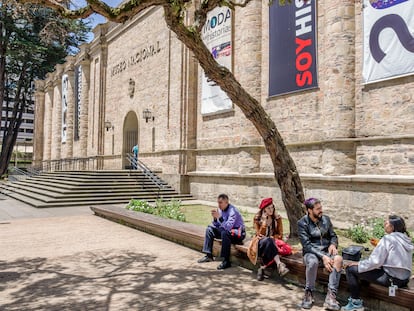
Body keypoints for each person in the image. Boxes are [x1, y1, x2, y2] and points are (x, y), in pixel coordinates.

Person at [342, 215, 414, 311]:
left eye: (387, 223)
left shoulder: (388, 239)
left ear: (392, 227)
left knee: (350, 269)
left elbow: (375, 262)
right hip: (404, 280)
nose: (384, 224)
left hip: (391, 279)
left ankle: (355, 303)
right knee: (365, 268)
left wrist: (358, 264)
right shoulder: (406, 240)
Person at [298, 198, 343, 311]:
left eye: (321, 208)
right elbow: (307, 246)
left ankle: (331, 297)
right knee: (313, 262)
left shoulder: (326, 220)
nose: (321, 211)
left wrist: (333, 244)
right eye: (318, 209)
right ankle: (308, 293)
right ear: (309, 210)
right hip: (311, 253)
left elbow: (333, 236)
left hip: (327, 252)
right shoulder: (302, 223)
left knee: (338, 259)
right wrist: (323, 257)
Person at [197, 194, 246, 270]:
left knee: (225, 233)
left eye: (220, 203)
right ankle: (209, 255)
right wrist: (215, 219)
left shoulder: (233, 211)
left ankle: (226, 261)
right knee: (209, 229)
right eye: (218, 202)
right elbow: (216, 225)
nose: (219, 205)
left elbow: (228, 227)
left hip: (238, 233)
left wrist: (219, 217)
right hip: (226, 232)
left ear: (226, 202)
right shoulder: (219, 210)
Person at [247, 197, 290, 280]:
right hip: (259, 243)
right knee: (268, 242)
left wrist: (272, 237)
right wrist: (264, 223)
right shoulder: (257, 218)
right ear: (264, 210)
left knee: (269, 243)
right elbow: (259, 235)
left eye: (272, 207)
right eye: (268, 208)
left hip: (272, 242)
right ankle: (279, 264)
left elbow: (280, 235)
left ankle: (262, 268)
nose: (271, 210)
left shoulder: (277, 218)